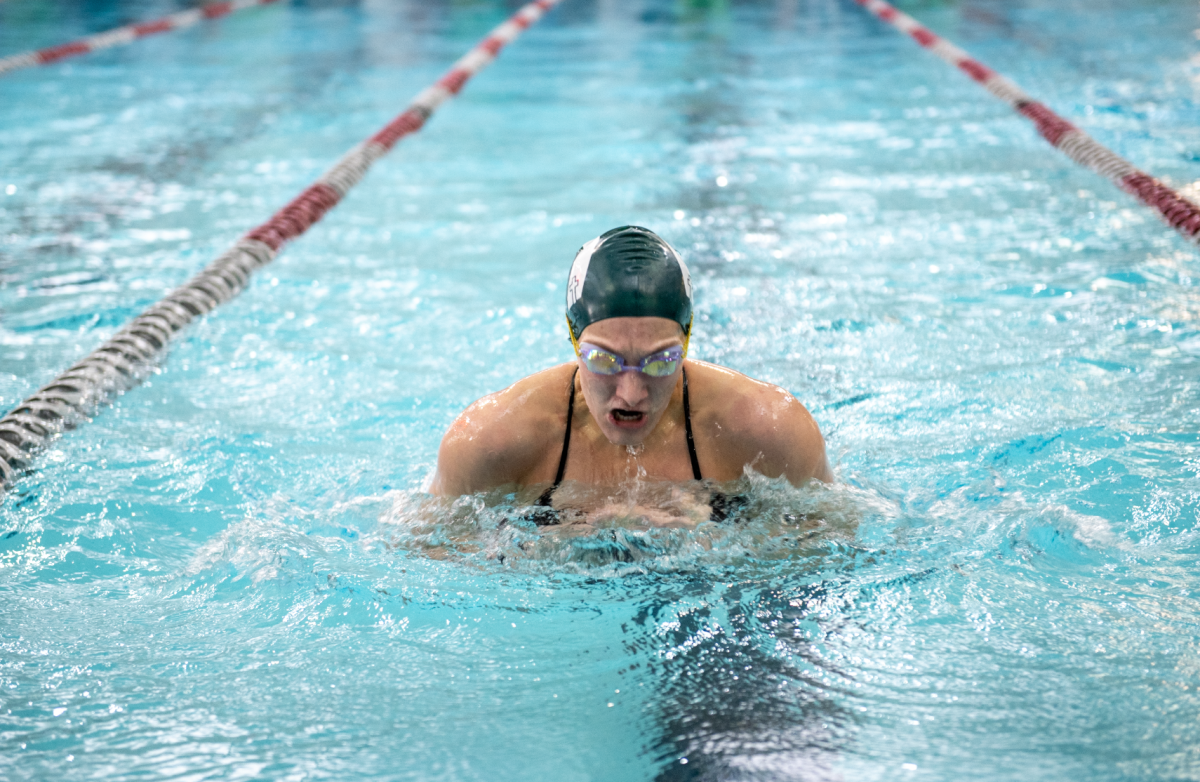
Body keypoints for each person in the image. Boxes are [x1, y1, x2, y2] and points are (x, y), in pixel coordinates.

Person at [430, 225, 832, 521]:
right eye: (604, 361)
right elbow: (425, 554)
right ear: (573, 338)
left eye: (661, 362)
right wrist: (563, 545)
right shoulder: (491, 441)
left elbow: (842, 538)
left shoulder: (769, 431)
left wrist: (712, 546)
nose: (631, 393)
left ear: (687, 342)